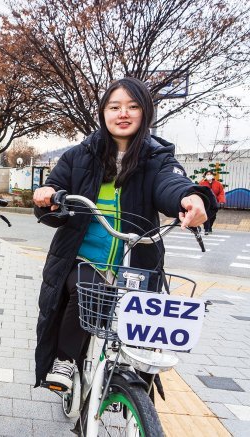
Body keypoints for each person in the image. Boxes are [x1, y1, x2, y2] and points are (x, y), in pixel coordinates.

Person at [32, 77, 213, 391]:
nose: (123, 113)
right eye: (114, 107)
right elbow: (54, 188)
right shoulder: (79, 155)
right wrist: (47, 195)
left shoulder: (157, 157)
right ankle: (66, 360)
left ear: (145, 113)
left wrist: (190, 198)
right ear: (103, 112)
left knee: (146, 328)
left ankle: (137, 398)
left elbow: (171, 184)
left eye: (132, 106)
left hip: (137, 261)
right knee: (84, 290)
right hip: (83, 257)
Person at [199, 170, 226, 234]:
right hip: (205, 202)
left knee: (213, 216)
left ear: (213, 175)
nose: (209, 176)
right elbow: (199, 192)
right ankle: (206, 229)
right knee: (206, 215)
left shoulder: (218, 183)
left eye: (210, 174)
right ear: (205, 176)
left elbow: (221, 192)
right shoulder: (202, 183)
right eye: (207, 174)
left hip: (214, 202)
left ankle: (210, 226)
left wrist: (221, 200)